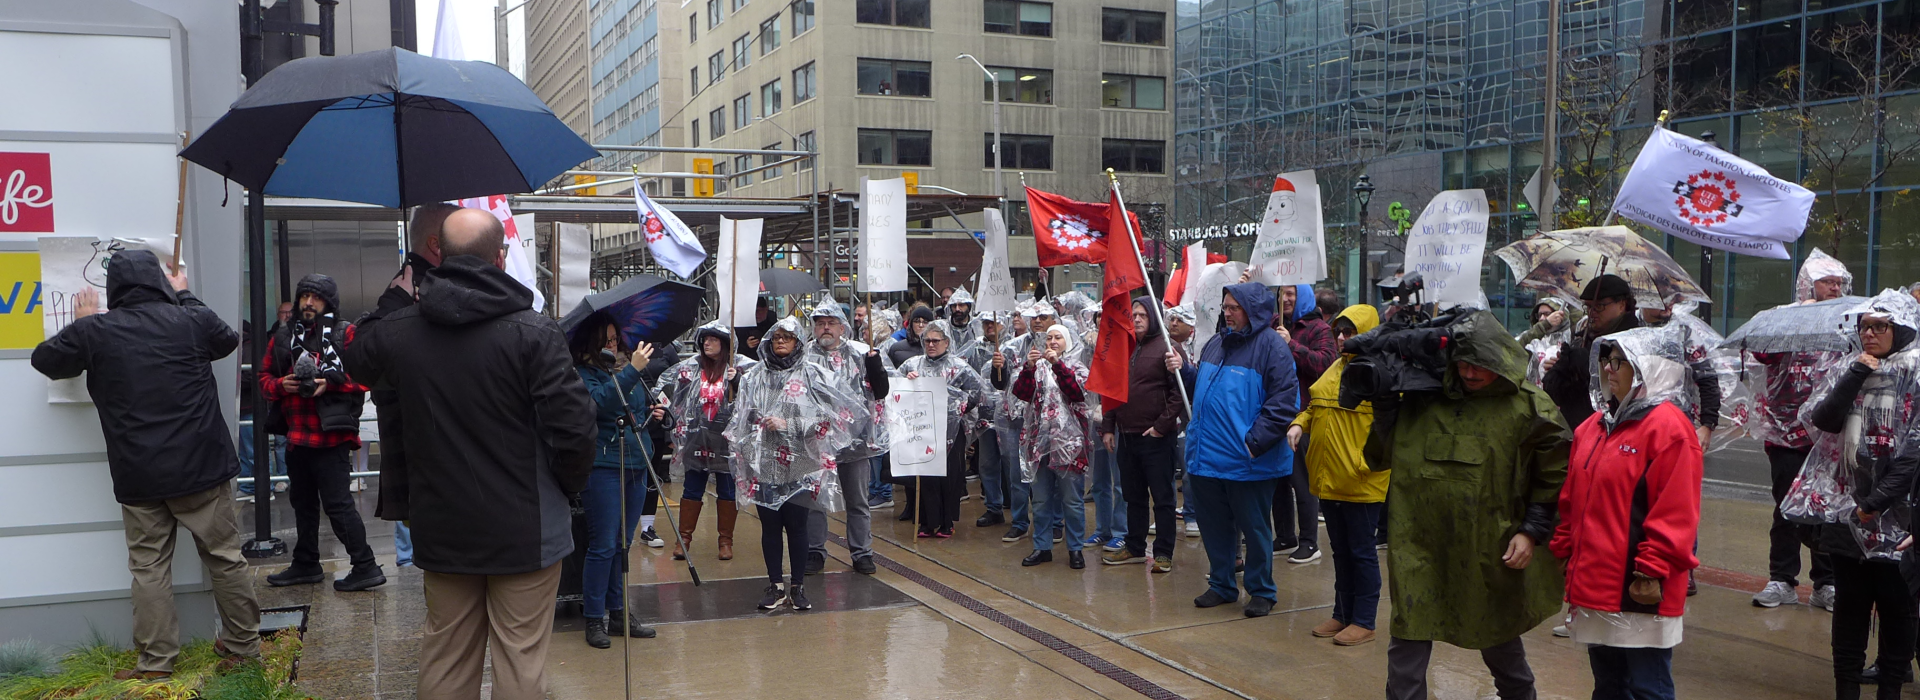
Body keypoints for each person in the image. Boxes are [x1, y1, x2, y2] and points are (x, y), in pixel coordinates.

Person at [343, 208, 594, 700]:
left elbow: (357, 357)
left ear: (438, 256)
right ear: (500, 258)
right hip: (528, 527)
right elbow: (575, 429)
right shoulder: (534, 331)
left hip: (443, 525)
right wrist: (564, 487)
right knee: (520, 660)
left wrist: (397, 294)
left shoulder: (400, 329)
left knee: (447, 657)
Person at [31, 250, 260, 682]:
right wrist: (184, 294)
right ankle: (244, 649)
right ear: (159, 281)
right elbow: (227, 339)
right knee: (225, 558)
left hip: (139, 475)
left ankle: (156, 664)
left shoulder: (96, 331)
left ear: (113, 288)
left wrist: (82, 323)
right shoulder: (190, 321)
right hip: (202, 467)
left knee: (149, 569)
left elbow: (45, 360)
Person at [1363, 310, 1569, 700]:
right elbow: (1381, 456)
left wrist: (1532, 530)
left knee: (1497, 633)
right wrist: (1385, 409)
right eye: (1463, 363)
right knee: (1408, 637)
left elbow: (1556, 472)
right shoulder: (1424, 400)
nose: (1470, 373)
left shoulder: (1529, 408)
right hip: (1419, 547)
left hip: (1489, 547)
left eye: (1480, 364)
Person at [1551, 329, 1703, 700]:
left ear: (1645, 367)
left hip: (1640, 587)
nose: (1608, 368)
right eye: (1606, 360)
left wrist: (1651, 570)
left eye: (1619, 361)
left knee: (1647, 687)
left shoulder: (1669, 429)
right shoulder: (1593, 427)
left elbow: (1676, 513)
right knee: (1608, 685)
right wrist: (1565, 549)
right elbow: (1572, 500)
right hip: (1596, 583)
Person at [1797, 291, 1920, 700]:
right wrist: (1855, 374)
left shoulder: (1915, 372)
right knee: (1850, 609)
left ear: (1900, 329)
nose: (1869, 333)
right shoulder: (1850, 366)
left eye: (1880, 326)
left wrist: (1876, 502)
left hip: (1900, 516)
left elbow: (1915, 453)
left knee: (1898, 610)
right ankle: (1845, 688)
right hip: (1847, 510)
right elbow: (1823, 419)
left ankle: (1890, 688)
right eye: (1864, 326)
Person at [1168, 282, 1300, 618]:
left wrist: (1254, 443)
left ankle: (1261, 590)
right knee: (1215, 528)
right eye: (1224, 307)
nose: (1226, 313)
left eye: (1233, 308)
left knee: (1254, 529)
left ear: (1251, 310)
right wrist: (1185, 371)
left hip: (1247, 461)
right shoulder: (1216, 343)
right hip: (1208, 457)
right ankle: (1222, 584)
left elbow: (1284, 402)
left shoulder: (1272, 347)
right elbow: (1204, 388)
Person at [259, 273, 384, 592]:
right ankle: (306, 563)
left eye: (316, 297)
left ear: (329, 302)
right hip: (296, 435)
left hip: (333, 436)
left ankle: (365, 565)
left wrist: (332, 383)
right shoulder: (284, 336)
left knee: (338, 504)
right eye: (304, 296)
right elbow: (263, 378)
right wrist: (281, 385)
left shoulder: (345, 333)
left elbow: (367, 377)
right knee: (302, 504)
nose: (309, 303)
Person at [728, 318, 857, 611]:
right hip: (764, 460)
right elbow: (741, 417)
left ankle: (798, 586)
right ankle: (775, 585)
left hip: (800, 459)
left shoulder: (813, 375)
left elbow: (829, 419)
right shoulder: (754, 376)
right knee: (770, 526)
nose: (781, 342)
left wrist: (789, 424)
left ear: (798, 341)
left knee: (798, 525)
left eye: (787, 337)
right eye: (776, 338)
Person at [1750, 249, 1852, 611]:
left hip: (1830, 434)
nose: (1835, 288)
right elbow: (1761, 353)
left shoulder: (1847, 321)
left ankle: (1826, 583)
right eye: (1827, 282)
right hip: (1786, 436)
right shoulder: (1786, 319)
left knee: (1827, 509)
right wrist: (1789, 326)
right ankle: (1782, 579)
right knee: (1787, 508)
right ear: (1809, 285)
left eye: (1839, 282)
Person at [361, 203, 458, 572]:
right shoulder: (417, 291)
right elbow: (365, 361)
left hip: (430, 452)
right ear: (436, 244)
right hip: (430, 451)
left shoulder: (415, 288)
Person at [1289, 304, 1387, 646]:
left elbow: (1391, 427)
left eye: (1350, 332)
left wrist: (1365, 464)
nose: (1342, 338)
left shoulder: (1379, 373)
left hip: (1360, 481)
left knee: (1362, 552)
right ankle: (1342, 613)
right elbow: (1314, 406)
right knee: (1341, 552)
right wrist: (1299, 424)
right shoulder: (1335, 368)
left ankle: (1365, 620)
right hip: (1329, 478)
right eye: (1339, 332)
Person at [569, 315, 660, 648]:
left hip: (635, 462)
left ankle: (619, 612)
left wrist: (651, 413)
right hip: (604, 466)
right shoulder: (583, 374)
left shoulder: (622, 368)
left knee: (623, 543)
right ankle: (595, 617)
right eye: (606, 340)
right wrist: (631, 370)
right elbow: (599, 404)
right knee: (603, 544)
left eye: (614, 339)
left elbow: (632, 409)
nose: (613, 344)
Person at [802, 302, 889, 576]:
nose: (825, 328)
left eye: (831, 323)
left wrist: (875, 366)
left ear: (842, 327)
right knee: (815, 499)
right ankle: (815, 551)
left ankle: (862, 553)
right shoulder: (803, 356)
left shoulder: (861, 353)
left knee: (858, 499)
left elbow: (881, 391)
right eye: (820, 323)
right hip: (815, 440)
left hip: (855, 441)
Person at [656, 322, 755, 561]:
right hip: (696, 439)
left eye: (713, 339)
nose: (706, 343)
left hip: (726, 440)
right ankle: (683, 540)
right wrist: (671, 430)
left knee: (727, 490)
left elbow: (755, 400)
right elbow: (671, 396)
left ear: (725, 344)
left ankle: (725, 541)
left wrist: (738, 382)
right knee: (692, 488)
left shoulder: (741, 368)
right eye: (704, 339)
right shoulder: (690, 368)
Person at [1101, 299, 1186, 573]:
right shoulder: (1125, 347)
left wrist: (1161, 426)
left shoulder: (1168, 348)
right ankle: (1135, 546)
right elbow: (1112, 390)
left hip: (1156, 438)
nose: (1136, 319)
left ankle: (1163, 553)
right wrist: (1108, 426)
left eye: (1142, 315)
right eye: (1134, 315)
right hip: (1126, 436)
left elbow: (1179, 393)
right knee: (1133, 496)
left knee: (1162, 498)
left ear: (1154, 317)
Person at [899, 320, 989, 538]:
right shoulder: (912, 365)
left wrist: (959, 407)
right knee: (926, 475)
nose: (931, 345)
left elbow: (977, 391)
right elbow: (896, 386)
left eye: (936, 341)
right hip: (922, 428)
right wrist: (907, 381)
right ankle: (927, 522)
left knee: (949, 475)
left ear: (946, 342)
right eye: (927, 340)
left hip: (952, 429)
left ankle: (947, 522)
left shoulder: (959, 367)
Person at [1016, 324, 1093, 568]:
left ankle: (1075, 549)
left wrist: (1058, 365)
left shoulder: (1077, 367)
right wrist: (1028, 369)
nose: (1052, 341)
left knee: (1072, 500)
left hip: (1069, 445)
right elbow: (1021, 393)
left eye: (1058, 337)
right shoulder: (1037, 367)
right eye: (1048, 337)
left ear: (1067, 341)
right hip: (1039, 443)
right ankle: (1042, 547)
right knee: (1040, 500)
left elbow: (1078, 393)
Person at [1275, 283, 1336, 564]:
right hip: (1277, 414)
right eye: (1282, 293)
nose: (1285, 298)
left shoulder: (1319, 329)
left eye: (1291, 293)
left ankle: (1310, 542)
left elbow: (1325, 365)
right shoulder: (1275, 324)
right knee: (1278, 480)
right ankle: (1285, 536)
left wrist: (1291, 345)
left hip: (1304, 416)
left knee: (1303, 482)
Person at [1542, 274, 1640, 431]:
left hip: (1612, 430)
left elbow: (1622, 392)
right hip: (1576, 431)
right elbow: (1553, 393)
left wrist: (1586, 363)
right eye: (1588, 307)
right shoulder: (1582, 338)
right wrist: (1559, 369)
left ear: (1622, 305)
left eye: (1599, 306)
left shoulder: (1635, 342)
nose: (1592, 312)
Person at [1516, 297, 1582, 346]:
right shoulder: (1529, 336)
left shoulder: (1573, 338)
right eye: (1539, 315)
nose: (1541, 318)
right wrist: (1545, 324)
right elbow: (1517, 347)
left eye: (1547, 314)